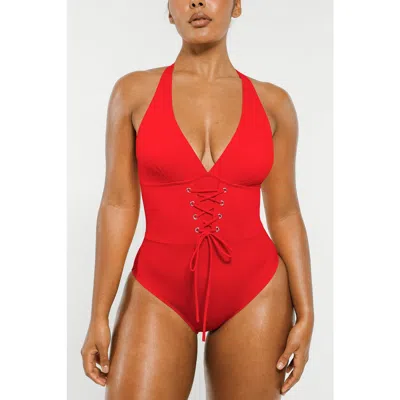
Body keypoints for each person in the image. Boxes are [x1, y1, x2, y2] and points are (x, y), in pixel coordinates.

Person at [81, 1, 314, 399]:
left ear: (236, 6)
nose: (197, 2)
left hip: (255, 290)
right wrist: (98, 314)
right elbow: (118, 205)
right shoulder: (133, 93)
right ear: (169, 11)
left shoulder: (274, 104)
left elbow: (285, 213)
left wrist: (307, 313)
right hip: (158, 287)